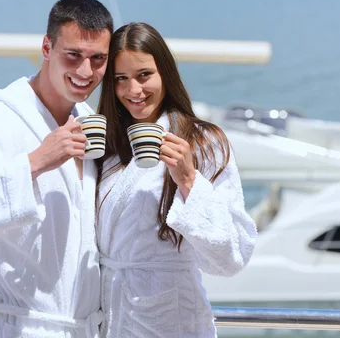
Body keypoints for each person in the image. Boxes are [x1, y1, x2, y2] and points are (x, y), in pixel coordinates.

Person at [0, 0, 113, 338]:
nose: (86, 72)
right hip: (20, 328)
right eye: (73, 55)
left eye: (98, 59)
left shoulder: (90, 122)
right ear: (47, 47)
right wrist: (35, 162)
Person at [95, 22, 258, 338]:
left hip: (169, 322)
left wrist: (187, 179)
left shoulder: (203, 142)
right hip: (111, 320)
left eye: (144, 75)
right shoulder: (109, 148)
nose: (133, 91)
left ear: (165, 74)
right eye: (120, 79)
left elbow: (231, 257)